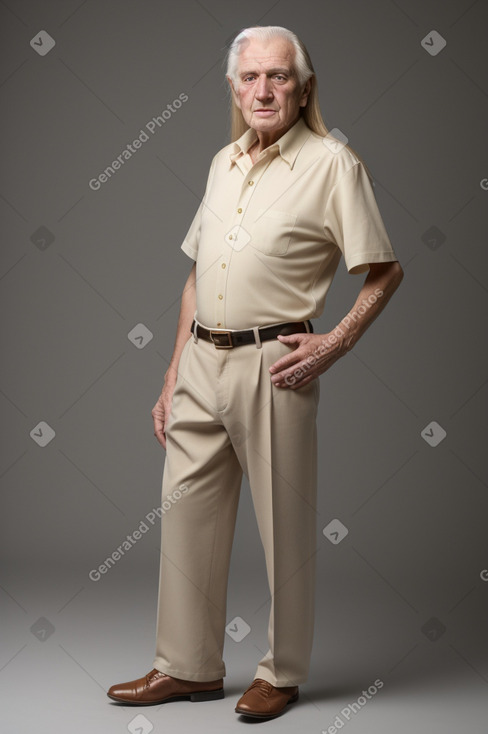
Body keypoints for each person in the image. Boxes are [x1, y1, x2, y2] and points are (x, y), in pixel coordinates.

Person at [107, 25, 404, 720]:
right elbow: (195, 273)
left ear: (303, 88)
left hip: (275, 366)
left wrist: (334, 342)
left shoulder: (333, 164)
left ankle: (283, 672)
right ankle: (186, 667)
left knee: (284, 530)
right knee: (186, 524)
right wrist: (171, 372)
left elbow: (384, 270)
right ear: (234, 89)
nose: (262, 90)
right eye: (249, 78)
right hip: (200, 363)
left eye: (277, 77)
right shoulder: (222, 162)